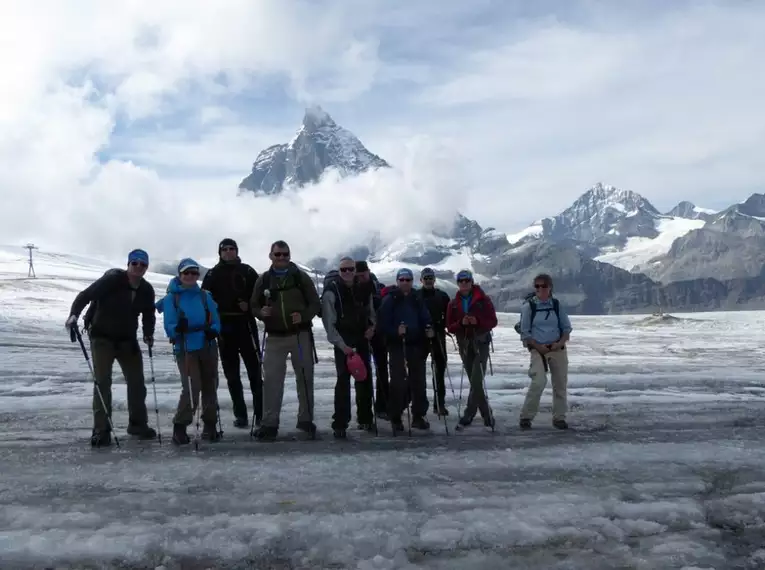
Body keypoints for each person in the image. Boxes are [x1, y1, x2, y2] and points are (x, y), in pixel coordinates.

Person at [65, 249, 157, 447]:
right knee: (102, 383)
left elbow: (149, 313)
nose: (139, 267)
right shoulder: (112, 280)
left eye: (143, 264)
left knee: (137, 383)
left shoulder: (146, 289)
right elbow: (86, 295)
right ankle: (101, 430)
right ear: (128, 264)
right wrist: (73, 314)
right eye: (135, 263)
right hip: (102, 337)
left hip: (127, 339)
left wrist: (148, 333)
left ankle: (138, 424)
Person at [250, 240, 321, 440]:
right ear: (271, 256)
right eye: (278, 254)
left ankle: (306, 420)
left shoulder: (301, 277)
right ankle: (269, 424)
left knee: (305, 378)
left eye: (285, 254)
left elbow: (315, 303)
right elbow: (253, 305)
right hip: (274, 336)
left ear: (289, 255)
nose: (282, 257)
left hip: (300, 334)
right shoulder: (263, 280)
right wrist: (261, 313)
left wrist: (304, 316)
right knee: (272, 382)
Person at [159, 258, 222, 445]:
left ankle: (210, 424)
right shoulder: (172, 298)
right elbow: (169, 326)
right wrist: (178, 329)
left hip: (207, 344)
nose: (190, 276)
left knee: (211, 384)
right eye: (186, 273)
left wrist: (214, 330)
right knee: (192, 387)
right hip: (185, 346)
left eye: (194, 273)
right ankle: (180, 425)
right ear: (180, 275)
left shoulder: (205, 296)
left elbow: (216, 320)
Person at [201, 238, 262, 429]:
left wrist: (250, 306)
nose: (228, 252)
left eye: (232, 249)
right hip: (225, 328)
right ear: (219, 252)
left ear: (237, 251)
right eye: (224, 249)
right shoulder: (212, 274)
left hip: (246, 325)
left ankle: (261, 413)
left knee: (255, 371)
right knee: (232, 374)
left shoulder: (248, 271)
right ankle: (241, 414)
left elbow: (260, 297)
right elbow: (205, 301)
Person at [321, 257, 376, 438]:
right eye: (344, 270)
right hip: (343, 339)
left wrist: (372, 328)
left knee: (364, 377)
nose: (347, 273)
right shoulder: (332, 291)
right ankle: (340, 422)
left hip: (361, 337)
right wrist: (342, 346)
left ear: (355, 269)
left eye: (350, 269)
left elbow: (370, 311)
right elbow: (329, 322)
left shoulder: (363, 288)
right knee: (343, 381)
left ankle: (365, 418)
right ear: (339, 271)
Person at [377, 268, 434, 432]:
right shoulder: (390, 299)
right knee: (397, 382)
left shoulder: (417, 298)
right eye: (401, 280)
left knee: (418, 382)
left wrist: (429, 328)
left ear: (412, 281)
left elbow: (425, 317)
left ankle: (418, 416)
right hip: (397, 345)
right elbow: (382, 324)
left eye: (407, 280)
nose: (404, 282)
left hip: (416, 344)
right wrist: (396, 331)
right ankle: (395, 417)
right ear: (397, 281)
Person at [518, 273, 572, 430]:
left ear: (550, 288)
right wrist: (537, 346)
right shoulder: (529, 307)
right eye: (537, 286)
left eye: (544, 286)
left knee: (560, 384)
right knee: (538, 381)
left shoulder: (556, 305)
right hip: (538, 349)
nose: (540, 289)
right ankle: (526, 416)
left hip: (557, 348)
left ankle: (559, 418)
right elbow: (525, 332)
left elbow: (566, 328)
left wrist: (559, 343)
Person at [446, 269, 498, 429]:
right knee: (475, 381)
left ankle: (469, 414)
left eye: (466, 280)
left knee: (476, 379)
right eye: (461, 281)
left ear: (471, 281)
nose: (464, 283)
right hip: (465, 344)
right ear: (458, 283)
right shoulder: (453, 304)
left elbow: (493, 321)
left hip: (481, 343)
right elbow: (449, 325)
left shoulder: (484, 300)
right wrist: (462, 323)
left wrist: (477, 321)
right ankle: (486, 413)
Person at [355, 261, 389, 419]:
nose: (361, 278)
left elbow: (383, 312)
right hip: (360, 335)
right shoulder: (352, 289)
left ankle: (382, 406)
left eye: (363, 274)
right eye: (358, 275)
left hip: (378, 333)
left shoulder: (378, 288)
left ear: (368, 272)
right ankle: (365, 412)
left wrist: (374, 328)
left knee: (382, 369)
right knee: (363, 372)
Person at [417, 267, 451, 415]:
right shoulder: (416, 296)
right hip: (419, 337)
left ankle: (439, 404)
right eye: (426, 278)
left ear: (434, 279)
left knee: (439, 371)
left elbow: (449, 316)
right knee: (417, 373)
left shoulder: (442, 296)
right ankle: (418, 406)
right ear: (421, 280)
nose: (429, 280)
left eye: (431, 278)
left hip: (438, 336)